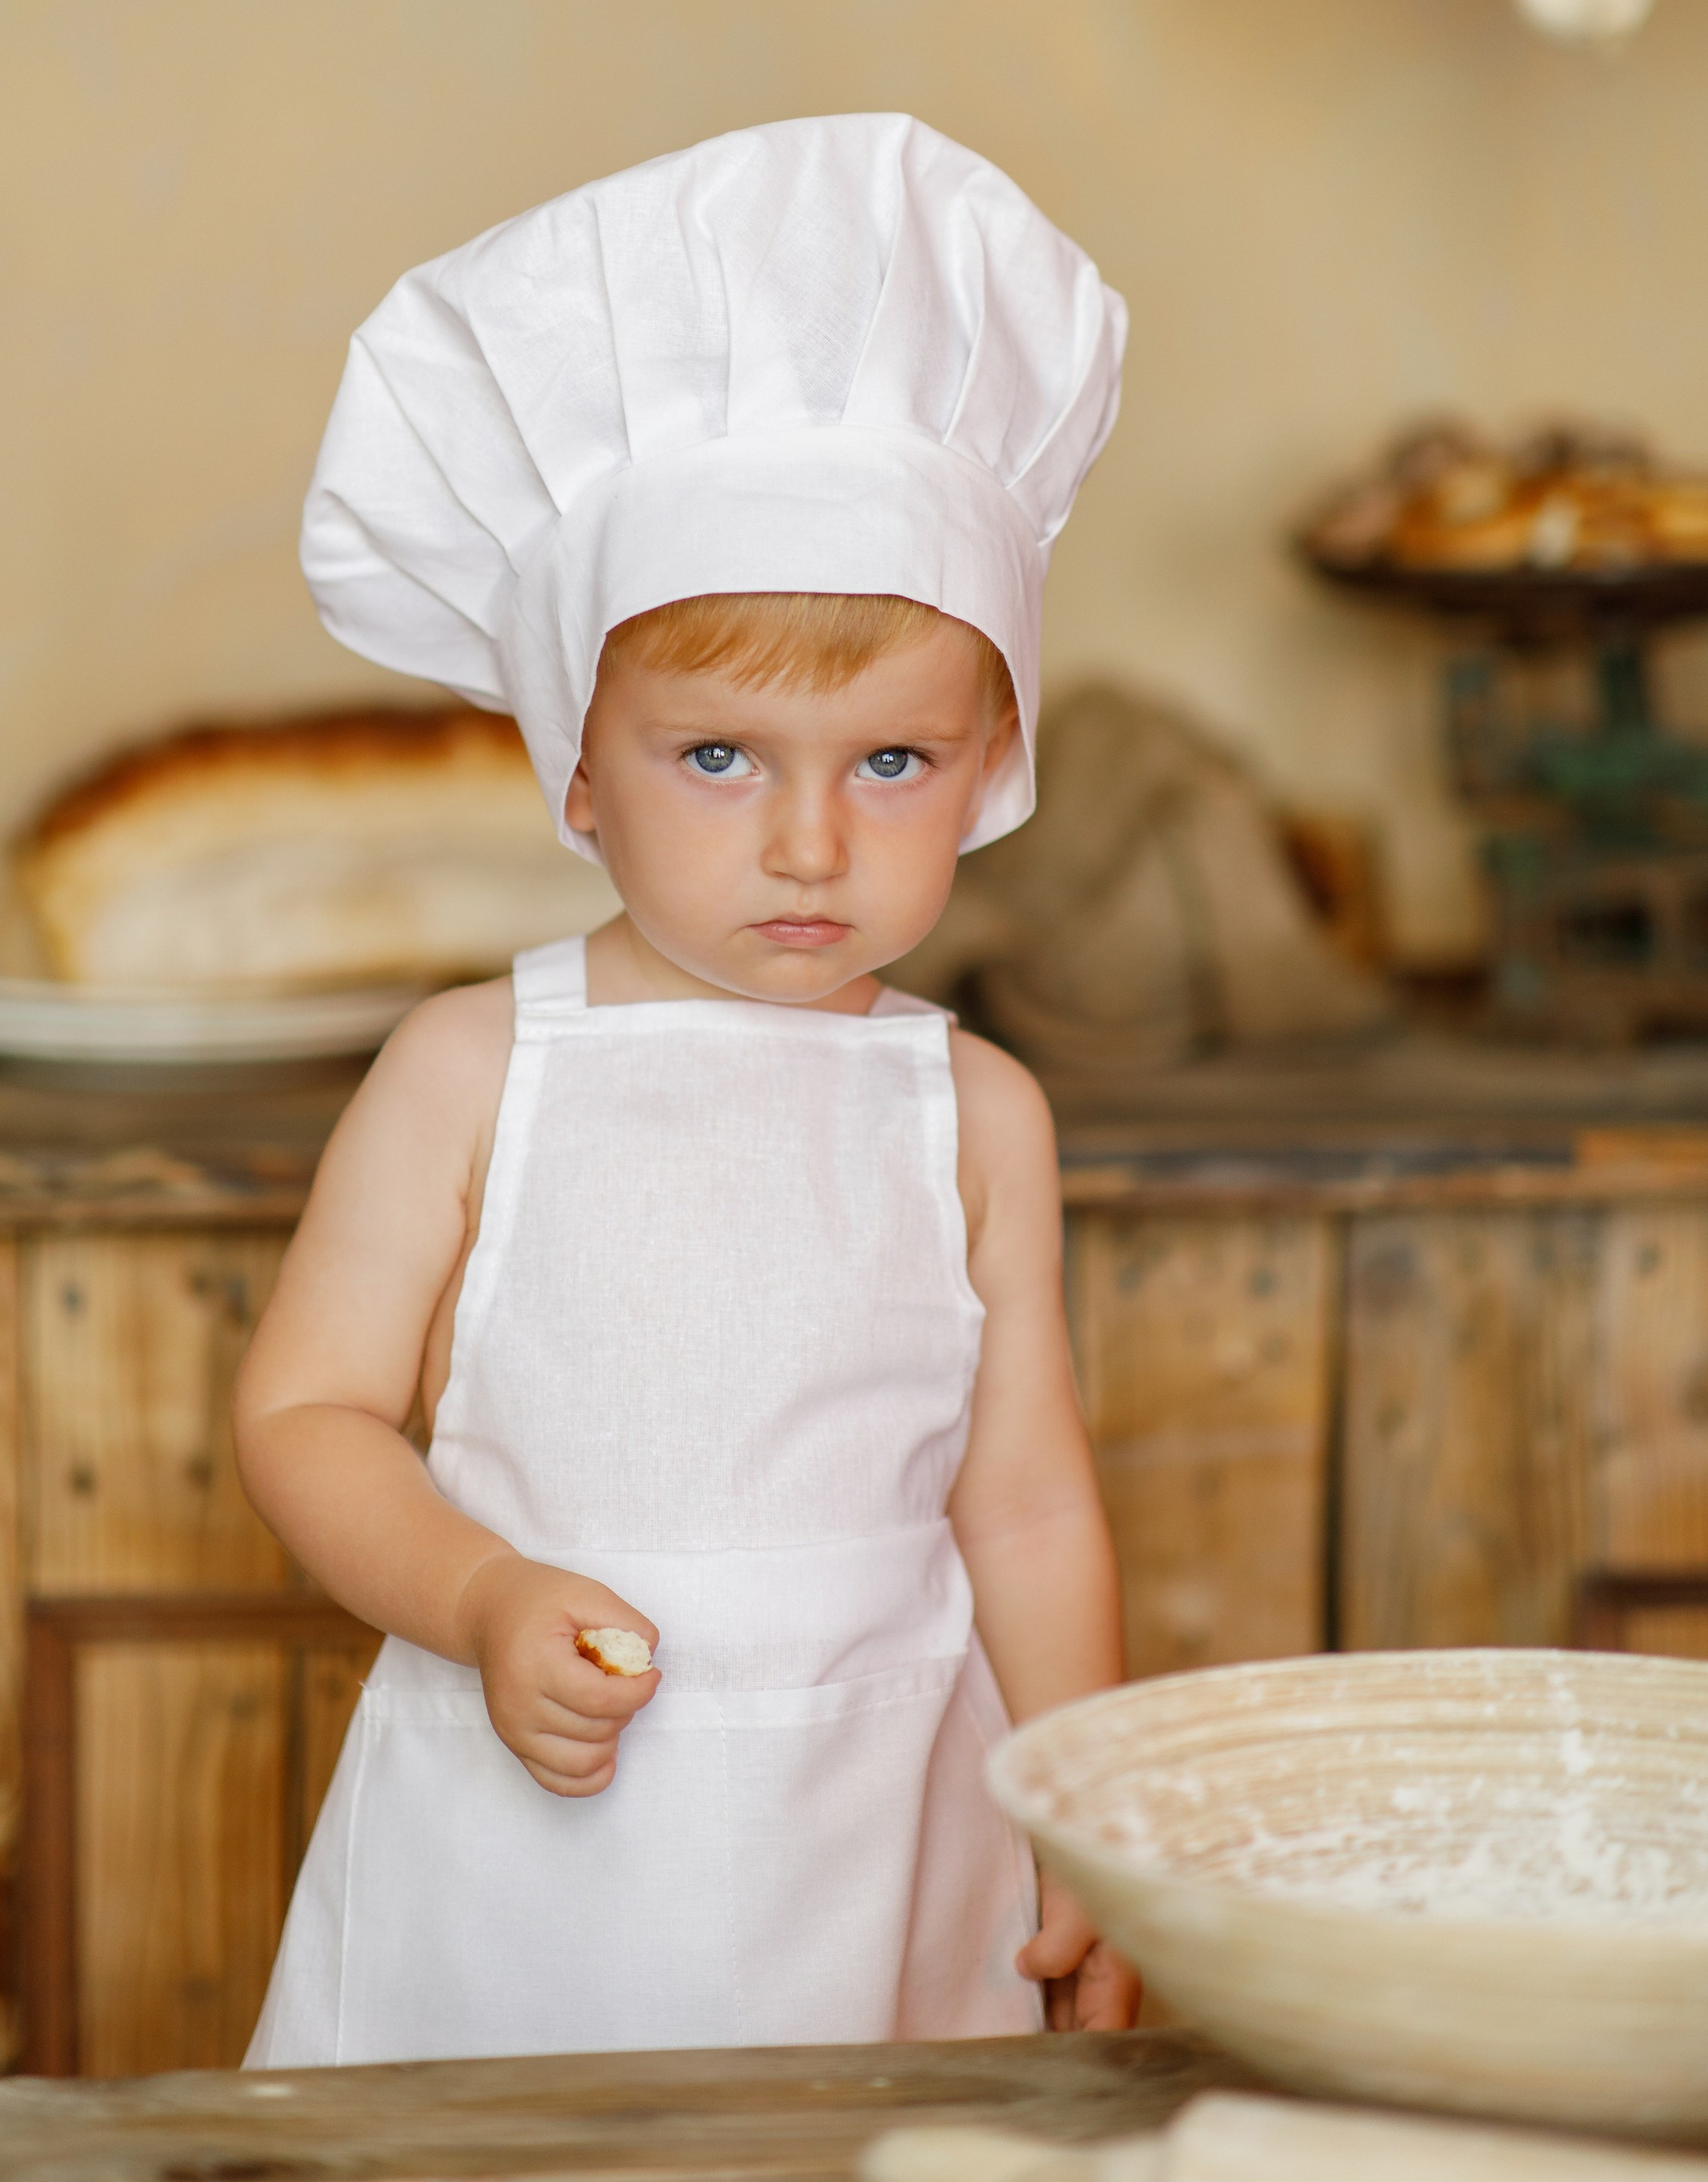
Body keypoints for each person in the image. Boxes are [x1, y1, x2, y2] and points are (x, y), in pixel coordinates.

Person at [236, 111, 1138, 2063]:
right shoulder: (478, 1066)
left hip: (884, 1825)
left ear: (989, 761)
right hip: (535, 1837)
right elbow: (306, 1411)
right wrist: (474, 1596)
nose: (808, 843)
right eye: (717, 758)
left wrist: (1092, 1819)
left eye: (889, 761)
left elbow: (1027, 1499)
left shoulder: (970, 1111)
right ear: (577, 767)